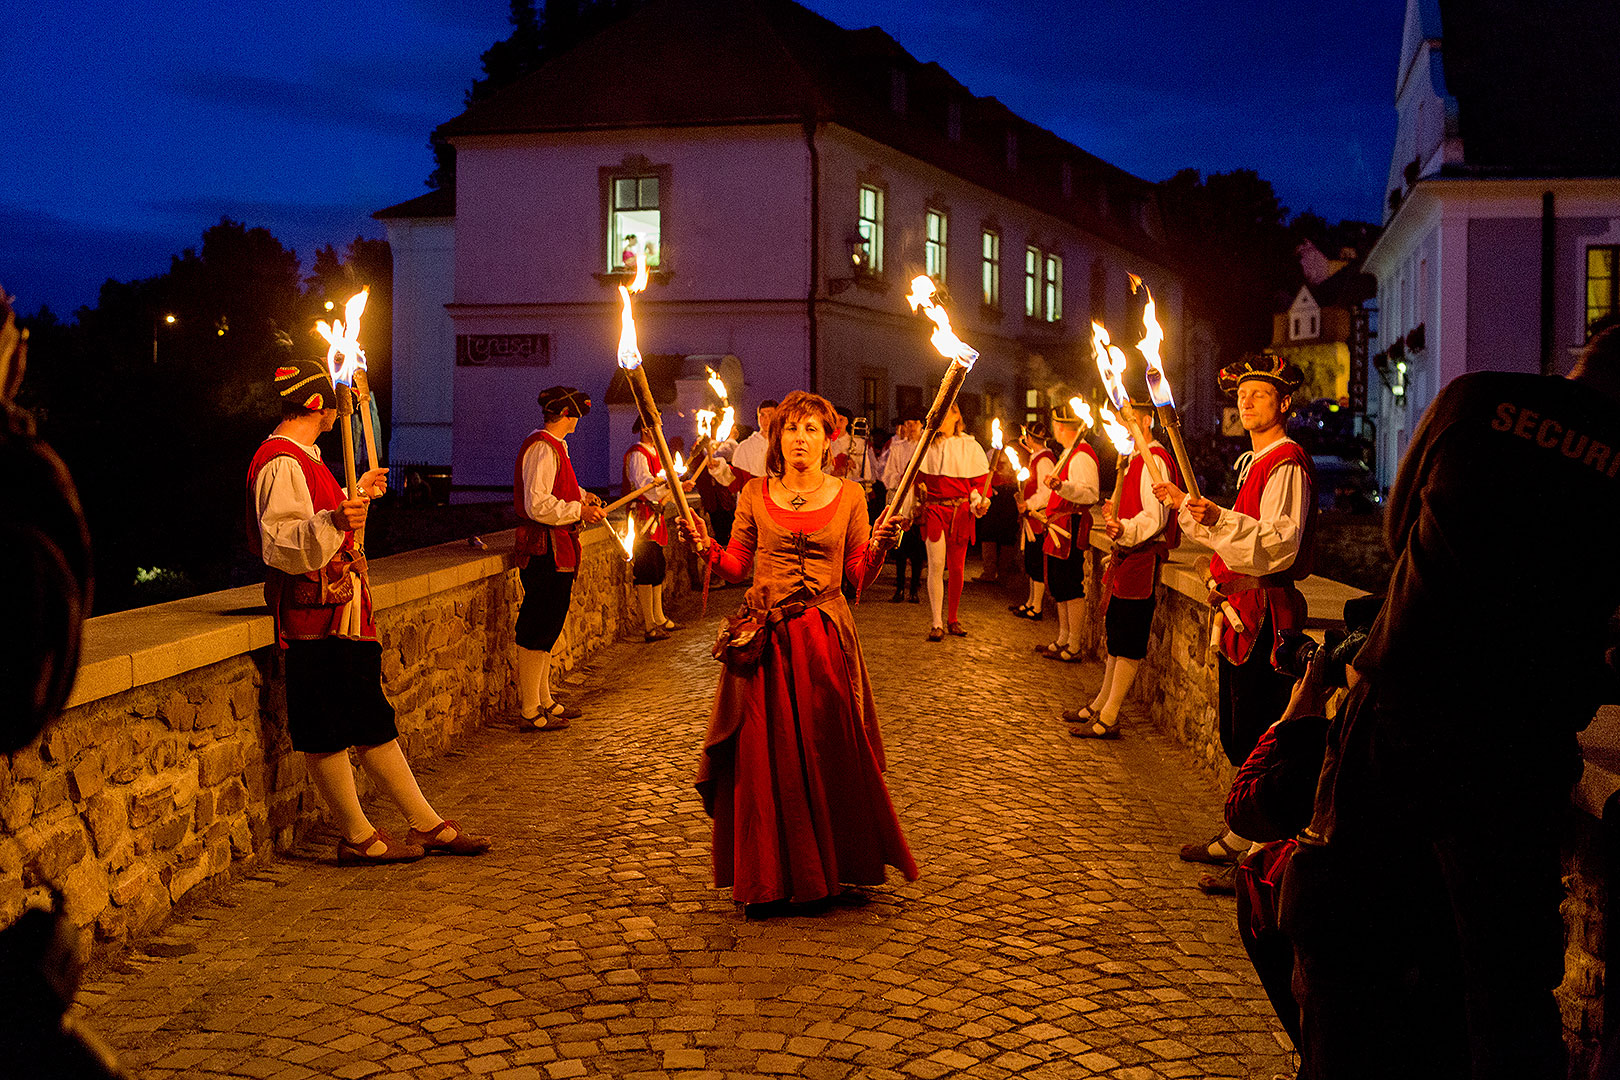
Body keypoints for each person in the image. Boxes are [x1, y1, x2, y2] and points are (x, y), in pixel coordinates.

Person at [1281, 326, 1620, 1080]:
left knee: (1350, 937)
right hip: (1515, 747)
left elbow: (1399, 528)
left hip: (1399, 709)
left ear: (1575, 362)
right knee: (1504, 985)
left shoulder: (1476, 399)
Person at [679, 391, 918, 913]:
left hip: (824, 641)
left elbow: (857, 577)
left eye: (811, 429)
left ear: (828, 438)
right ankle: (768, 878)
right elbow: (738, 566)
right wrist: (704, 547)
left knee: (826, 750)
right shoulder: (754, 494)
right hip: (766, 647)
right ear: (777, 438)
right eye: (791, 429)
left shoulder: (852, 495)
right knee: (766, 760)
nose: (800, 439)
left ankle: (829, 870)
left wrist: (880, 547)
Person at [248, 355, 490, 863]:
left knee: (369, 715)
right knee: (325, 723)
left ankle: (423, 823)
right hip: (312, 618)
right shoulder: (280, 460)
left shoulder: (307, 457)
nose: (342, 411)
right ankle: (358, 836)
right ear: (318, 404)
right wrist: (339, 514)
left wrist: (356, 497)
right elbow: (285, 545)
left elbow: (331, 529)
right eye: (335, 403)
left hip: (343, 614)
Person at [1152, 351, 1314, 894]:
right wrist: (1184, 505)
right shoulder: (1254, 462)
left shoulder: (1285, 461)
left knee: (1259, 736)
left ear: (1284, 403)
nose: (1246, 401)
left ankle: (1262, 859)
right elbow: (1223, 535)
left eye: (1260, 393)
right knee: (1234, 732)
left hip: (1267, 616)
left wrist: (1218, 517)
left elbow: (1278, 544)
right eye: (1242, 393)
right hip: (1241, 615)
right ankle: (1240, 835)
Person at [1066, 401, 1180, 738]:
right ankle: (1102, 702)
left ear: (1145, 421)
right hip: (1129, 556)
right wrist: (1116, 518)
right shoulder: (1134, 460)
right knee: (1116, 635)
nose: (1119, 428)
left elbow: (1156, 518)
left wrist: (1125, 529)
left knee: (1128, 638)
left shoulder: (1154, 460)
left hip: (1143, 560)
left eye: (1124, 422)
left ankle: (1111, 715)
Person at [513, 386, 608, 731]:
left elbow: (560, 490)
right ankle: (529, 709)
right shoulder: (542, 447)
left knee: (548, 627)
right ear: (568, 416)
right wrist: (577, 509)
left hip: (560, 545)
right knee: (537, 626)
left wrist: (585, 497)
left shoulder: (556, 448)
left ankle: (544, 699)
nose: (578, 421)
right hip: (545, 547)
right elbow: (537, 502)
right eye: (576, 416)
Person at [908, 402, 989, 640]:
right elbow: (914, 480)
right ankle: (936, 622)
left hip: (960, 513)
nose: (941, 418)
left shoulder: (970, 446)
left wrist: (979, 503)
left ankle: (952, 618)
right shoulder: (926, 445)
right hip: (934, 510)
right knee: (935, 565)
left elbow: (976, 486)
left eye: (947, 413)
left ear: (957, 417)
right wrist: (904, 514)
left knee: (956, 568)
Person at [623, 416, 696, 641]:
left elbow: (662, 488)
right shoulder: (638, 453)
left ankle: (659, 617)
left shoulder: (656, 454)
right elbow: (645, 485)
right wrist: (671, 486)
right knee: (646, 568)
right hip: (643, 515)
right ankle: (649, 624)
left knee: (658, 567)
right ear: (645, 429)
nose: (659, 431)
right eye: (655, 427)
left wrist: (679, 487)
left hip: (656, 514)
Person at [1037, 402, 1099, 662]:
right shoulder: (1068, 453)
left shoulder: (1081, 455)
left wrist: (1062, 486)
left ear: (1060, 426)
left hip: (1070, 527)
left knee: (1072, 586)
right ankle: (1063, 636)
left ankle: (1074, 644)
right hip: (1058, 526)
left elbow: (1090, 493)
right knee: (1060, 586)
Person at [1009, 422, 1056, 619]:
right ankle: (1030, 602)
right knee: (1030, 561)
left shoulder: (1044, 460)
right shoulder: (1036, 457)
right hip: (1031, 518)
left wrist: (1027, 504)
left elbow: (1046, 493)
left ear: (1029, 438)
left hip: (1039, 518)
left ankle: (1037, 607)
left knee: (1036, 562)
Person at [880, 413, 925, 603]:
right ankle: (899, 588)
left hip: (918, 500)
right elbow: (886, 474)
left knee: (917, 550)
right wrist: (899, 478)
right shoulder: (897, 448)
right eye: (908, 423)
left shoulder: (926, 447)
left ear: (922, 425)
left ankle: (914, 589)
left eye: (915, 422)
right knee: (900, 549)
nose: (911, 426)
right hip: (900, 499)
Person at [976, 424, 1020, 584]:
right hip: (994, 496)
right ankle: (989, 571)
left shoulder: (1019, 454)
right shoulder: (992, 453)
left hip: (1010, 497)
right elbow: (984, 471)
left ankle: (1003, 573)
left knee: (1007, 534)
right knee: (988, 532)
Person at [708, 399, 777, 493]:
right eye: (762, 415)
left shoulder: (785, 445)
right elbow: (735, 481)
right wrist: (719, 467)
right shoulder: (745, 447)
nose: (766, 419)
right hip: (751, 503)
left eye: (770, 415)